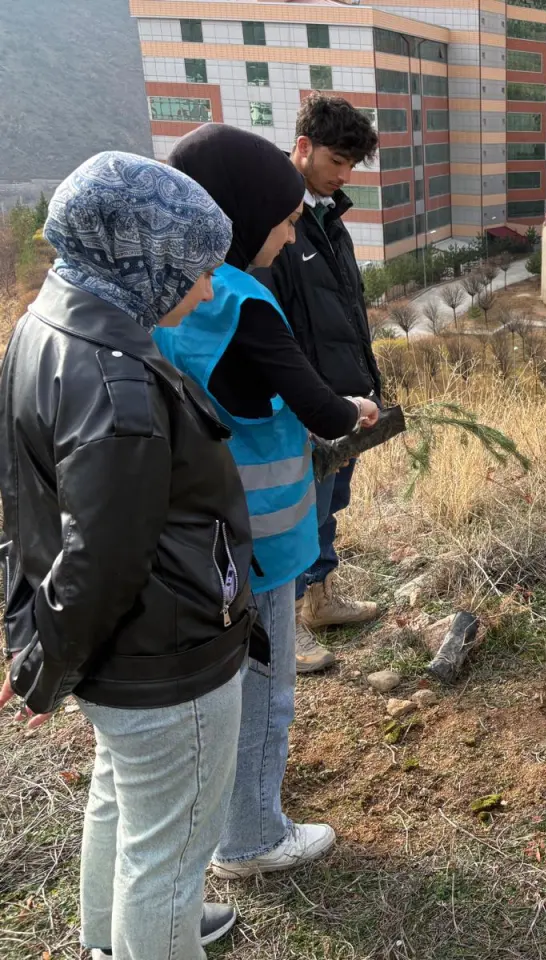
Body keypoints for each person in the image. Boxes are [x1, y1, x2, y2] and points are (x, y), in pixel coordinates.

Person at [0, 152, 253, 959]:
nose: (208, 288)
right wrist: (48, 661)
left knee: (123, 798)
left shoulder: (48, 324)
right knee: (171, 854)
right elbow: (103, 559)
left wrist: (44, 641)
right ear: (141, 259)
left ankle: (112, 938)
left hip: (117, 660)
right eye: (195, 269)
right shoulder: (119, 387)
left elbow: (30, 506)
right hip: (163, 659)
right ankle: (153, 930)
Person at [157, 124, 378, 880]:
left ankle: (222, 820)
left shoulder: (167, 296)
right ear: (242, 215)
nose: (289, 237)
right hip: (264, 544)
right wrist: (354, 411)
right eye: (283, 221)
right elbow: (321, 408)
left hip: (192, 539)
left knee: (214, 698)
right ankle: (250, 839)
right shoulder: (242, 302)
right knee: (264, 693)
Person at [257, 94, 382, 674]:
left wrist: (363, 384)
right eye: (337, 159)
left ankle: (320, 600)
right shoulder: (272, 220)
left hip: (341, 395)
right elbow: (273, 325)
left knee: (330, 501)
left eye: (353, 163)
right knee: (294, 510)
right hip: (299, 402)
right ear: (303, 147)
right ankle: (285, 626)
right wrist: (304, 397)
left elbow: (345, 310)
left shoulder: (329, 217)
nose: (344, 173)